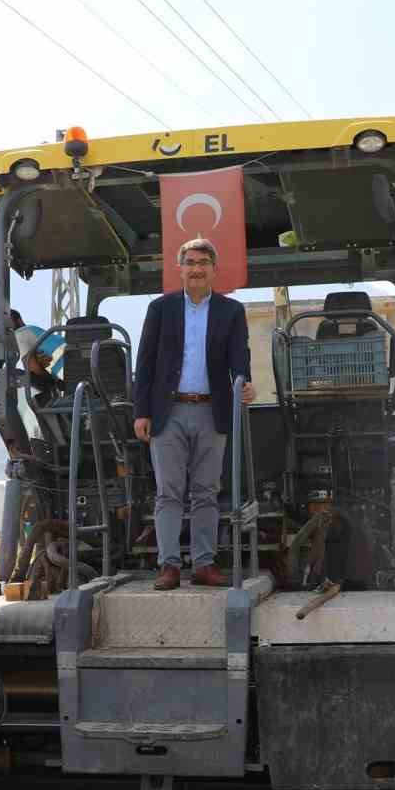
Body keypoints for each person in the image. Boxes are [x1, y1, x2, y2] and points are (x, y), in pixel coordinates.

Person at [132, 236, 256, 590]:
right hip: (167, 413)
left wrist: (245, 383)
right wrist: (142, 412)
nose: (197, 269)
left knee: (206, 491)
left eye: (203, 263)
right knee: (168, 492)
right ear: (180, 269)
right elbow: (146, 362)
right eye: (190, 263)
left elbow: (240, 359)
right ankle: (169, 565)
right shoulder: (160, 309)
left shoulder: (231, 311)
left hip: (210, 411)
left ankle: (204, 563)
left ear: (214, 270)